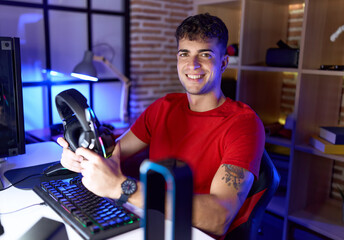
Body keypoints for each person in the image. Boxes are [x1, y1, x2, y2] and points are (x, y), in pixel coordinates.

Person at [57, 13, 265, 239]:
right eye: (184, 54)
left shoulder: (244, 124)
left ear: (223, 62)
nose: (192, 64)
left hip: (191, 233)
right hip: (150, 221)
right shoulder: (163, 107)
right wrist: (80, 157)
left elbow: (218, 217)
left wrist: (122, 188)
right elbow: (113, 154)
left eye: (205, 54)